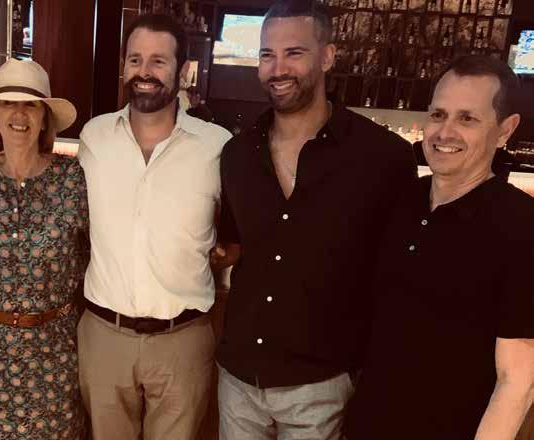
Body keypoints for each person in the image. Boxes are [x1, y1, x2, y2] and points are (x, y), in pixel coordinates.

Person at [211, 1, 417, 439]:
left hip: (322, 382)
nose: (278, 68)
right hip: (239, 380)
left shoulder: (383, 157)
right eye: (267, 55)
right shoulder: (237, 154)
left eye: (294, 53)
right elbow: (233, 245)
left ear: (327, 56)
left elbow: (397, 276)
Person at [343, 55, 534, 440]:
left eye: (467, 118)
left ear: (505, 130)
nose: (445, 132)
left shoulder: (521, 225)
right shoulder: (399, 202)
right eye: (438, 114)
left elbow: (518, 380)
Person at [76, 13, 232, 440]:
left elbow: (237, 232)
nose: (144, 72)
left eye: (158, 61)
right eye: (135, 60)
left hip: (183, 339)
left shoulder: (216, 147)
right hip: (104, 337)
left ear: (182, 71)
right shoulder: (94, 138)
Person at [0, 58, 87, 439]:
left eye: (31, 105)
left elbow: (96, 252)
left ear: (45, 118)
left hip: (53, 354)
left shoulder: (72, 180)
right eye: (8, 103)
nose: (19, 114)